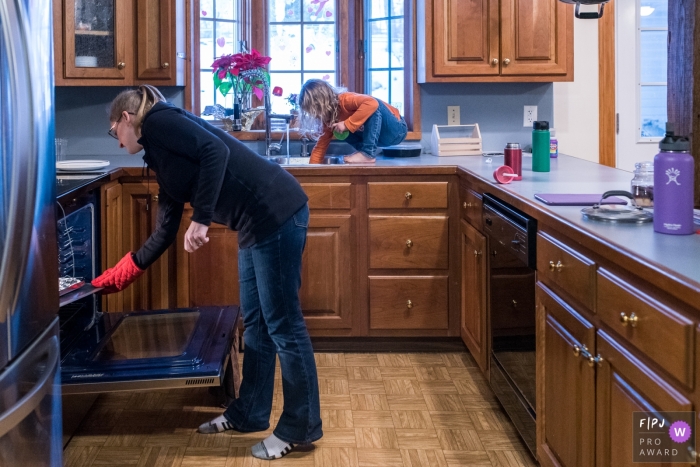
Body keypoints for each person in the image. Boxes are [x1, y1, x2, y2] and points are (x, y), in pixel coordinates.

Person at [92, 85, 322, 460]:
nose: (117, 143)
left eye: (113, 132)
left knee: (283, 325)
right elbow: (165, 231)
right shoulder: (159, 156)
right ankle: (249, 412)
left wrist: (200, 220)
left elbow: (216, 150)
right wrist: (118, 276)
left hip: (276, 212)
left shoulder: (161, 121)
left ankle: (300, 427)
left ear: (126, 118)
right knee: (258, 324)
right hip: (253, 222)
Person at [298, 79, 407, 164]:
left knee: (372, 105)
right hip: (381, 140)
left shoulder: (345, 100)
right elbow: (320, 147)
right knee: (338, 129)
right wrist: (312, 172)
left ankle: (367, 154)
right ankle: (364, 153)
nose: (315, 115)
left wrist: (346, 124)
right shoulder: (329, 120)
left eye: (315, 111)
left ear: (323, 103)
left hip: (397, 130)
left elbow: (372, 104)